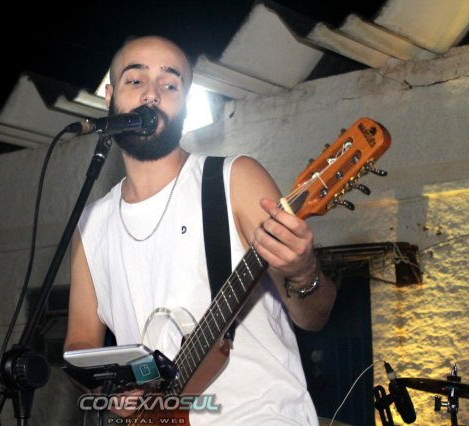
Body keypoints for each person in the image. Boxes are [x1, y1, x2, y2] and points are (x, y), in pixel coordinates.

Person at [64, 35, 337, 425]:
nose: (151, 94)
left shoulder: (234, 179)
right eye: (135, 80)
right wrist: (105, 390)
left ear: (187, 103)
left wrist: (303, 272)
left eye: (170, 84)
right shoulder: (91, 223)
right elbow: (80, 343)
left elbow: (314, 317)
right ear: (110, 96)